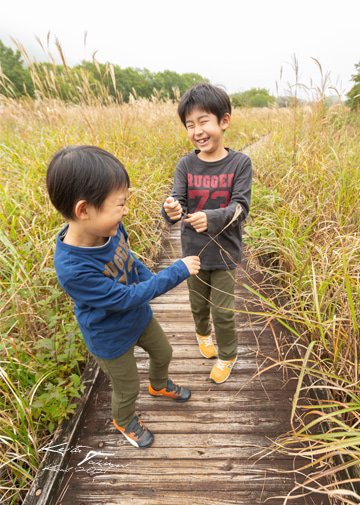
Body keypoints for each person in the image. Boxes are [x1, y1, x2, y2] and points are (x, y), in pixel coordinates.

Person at [46, 145, 200, 449]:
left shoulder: (110, 227)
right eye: (120, 204)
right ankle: (125, 419)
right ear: (84, 210)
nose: (126, 211)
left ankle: (158, 387)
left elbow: (129, 261)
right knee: (127, 387)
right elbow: (125, 297)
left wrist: (152, 278)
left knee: (164, 353)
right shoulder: (73, 269)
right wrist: (175, 272)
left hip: (138, 317)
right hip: (109, 336)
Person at [162, 83, 252, 384]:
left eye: (204, 121)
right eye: (190, 125)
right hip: (193, 252)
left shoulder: (240, 163)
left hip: (225, 252)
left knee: (223, 312)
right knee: (198, 303)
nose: (197, 131)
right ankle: (202, 335)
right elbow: (178, 201)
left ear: (223, 121)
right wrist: (171, 210)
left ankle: (228, 355)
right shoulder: (185, 164)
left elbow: (241, 207)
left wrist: (211, 218)